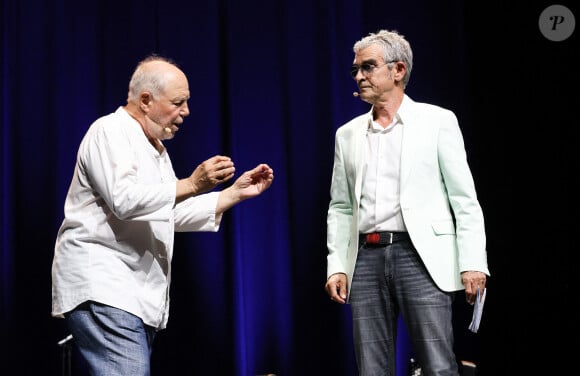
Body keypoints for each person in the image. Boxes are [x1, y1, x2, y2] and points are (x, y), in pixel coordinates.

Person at [51, 55, 274, 376]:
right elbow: (124, 200)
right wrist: (192, 183)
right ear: (145, 100)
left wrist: (232, 194)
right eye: (178, 102)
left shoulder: (155, 147)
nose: (186, 112)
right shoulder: (110, 131)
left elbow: (167, 211)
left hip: (133, 294)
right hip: (106, 286)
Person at [324, 29, 490, 376]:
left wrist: (474, 261)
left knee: (438, 366)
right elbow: (340, 206)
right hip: (366, 259)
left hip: (421, 256)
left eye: (368, 67)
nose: (358, 76)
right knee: (372, 369)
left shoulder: (438, 121)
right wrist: (337, 264)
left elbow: (464, 199)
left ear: (398, 70)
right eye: (355, 69)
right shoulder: (348, 133)